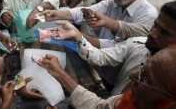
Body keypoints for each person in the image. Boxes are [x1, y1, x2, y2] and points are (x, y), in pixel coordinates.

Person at [45, 0, 176, 95]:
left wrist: (60, 74)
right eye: (155, 25)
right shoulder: (138, 43)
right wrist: (77, 36)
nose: (152, 33)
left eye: (164, 32)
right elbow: (99, 57)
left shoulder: (169, 85)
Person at [42, 46, 176, 109]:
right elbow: (98, 106)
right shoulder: (129, 102)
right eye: (142, 69)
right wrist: (59, 72)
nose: (133, 75)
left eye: (147, 78)